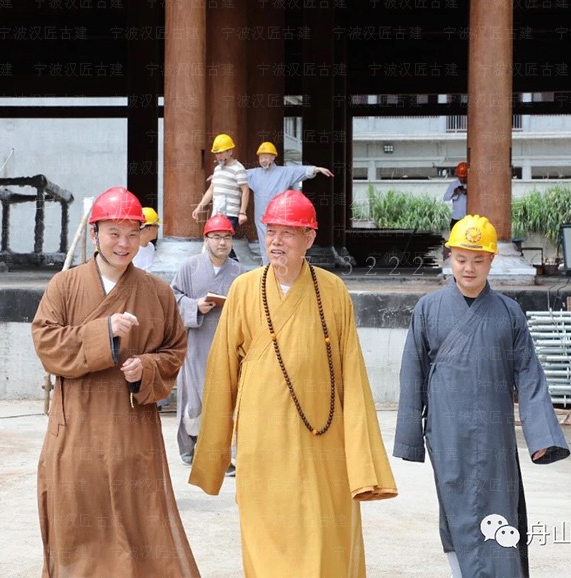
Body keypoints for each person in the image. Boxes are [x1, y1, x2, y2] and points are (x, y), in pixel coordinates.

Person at [189, 190, 398, 577]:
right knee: (267, 539)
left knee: (325, 541)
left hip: (322, 442)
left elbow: (353, 375)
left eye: (289, 233)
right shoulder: (244, 289)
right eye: (271, 232)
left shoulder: (333, 291)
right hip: (263, 444)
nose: (277, 242)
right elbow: (221, 375)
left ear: (310, 238)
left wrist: (363, 463)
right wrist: (214, 453)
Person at [31, 186, 199, 577]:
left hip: (132, 436)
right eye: (113, 233)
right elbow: (46, 344)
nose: (124, 244)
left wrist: (146, 369)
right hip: (77, 432)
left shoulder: (157, 293)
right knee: (78, 532)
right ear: (94, 234)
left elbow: (175, 352)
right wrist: (102, 333)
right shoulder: (65, 286)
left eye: (132, 233)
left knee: (140, 531)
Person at [393, 214, 570, 578]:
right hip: (446, 431)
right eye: (461, 258)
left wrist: (542, 438)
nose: (468, 268)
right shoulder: (428, 309)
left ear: (492, 260)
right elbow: (412, 375)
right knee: (456, 508)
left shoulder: (509, 312)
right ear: (449, 258)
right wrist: (410, 438)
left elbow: (529, 376)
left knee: (499, 507)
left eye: (478, 259)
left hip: (495, 434)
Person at [170, 214, 243, 467]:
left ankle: (221, 455)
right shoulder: (189, 267)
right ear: (206, 239)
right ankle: (191, 443)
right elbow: (173, 298)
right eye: (216, 237)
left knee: (224, 401)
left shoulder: (239, 272)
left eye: (227, 237)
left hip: (227, 345)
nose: (222, 243)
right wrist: (194, 306)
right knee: (194, 401)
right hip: (196, 344)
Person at [245, 140, 334, 264]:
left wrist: (316, 169)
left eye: (266, 157)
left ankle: (283, 267)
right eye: (261, 158)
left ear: (273, 157)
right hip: (262, 218)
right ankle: (268, 269)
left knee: (282, 242)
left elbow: (299, 170)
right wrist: (219, 175)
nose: (263, 160)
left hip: (280, 217)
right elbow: (237, 175)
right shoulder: (254, 174)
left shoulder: (283, 172)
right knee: (264, 243)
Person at [191, 133, 249, 260]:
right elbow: (211, 190)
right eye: (217, 153)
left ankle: (234, 269)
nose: (218, 156)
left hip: (230, 213)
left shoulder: (238, 169)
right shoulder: (217, 169)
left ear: (230, 151)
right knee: (217, 241)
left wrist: (242, 212)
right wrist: (200, 207)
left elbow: (245, 190)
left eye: (221, 152)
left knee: (221, 240)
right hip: (217, 213)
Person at [131, 206, 160, 272]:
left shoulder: (151, 246)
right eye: (157, 226)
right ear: (149, 228)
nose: (158, 229)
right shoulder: (131, 248)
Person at [443, 161, 469, 232]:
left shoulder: (472, 184)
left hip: (469, 219)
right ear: (458, 176)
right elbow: (445, 198)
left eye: (464, 177)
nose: (463, 179)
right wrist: (454, 193)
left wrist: (467, 193)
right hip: (456, 217)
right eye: (461, 177)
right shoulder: (453, 185)